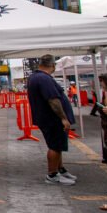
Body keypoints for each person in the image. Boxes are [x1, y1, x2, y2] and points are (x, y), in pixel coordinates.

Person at [27, 55, 77, 186]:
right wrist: (63, 118)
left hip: (47, 118)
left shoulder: (35, 77)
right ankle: (52, 174)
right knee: (55, 146)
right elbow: (53, 100)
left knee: (57, 145)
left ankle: (59, 170)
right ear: (53, 65)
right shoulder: (44, 79)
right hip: (52, 119)